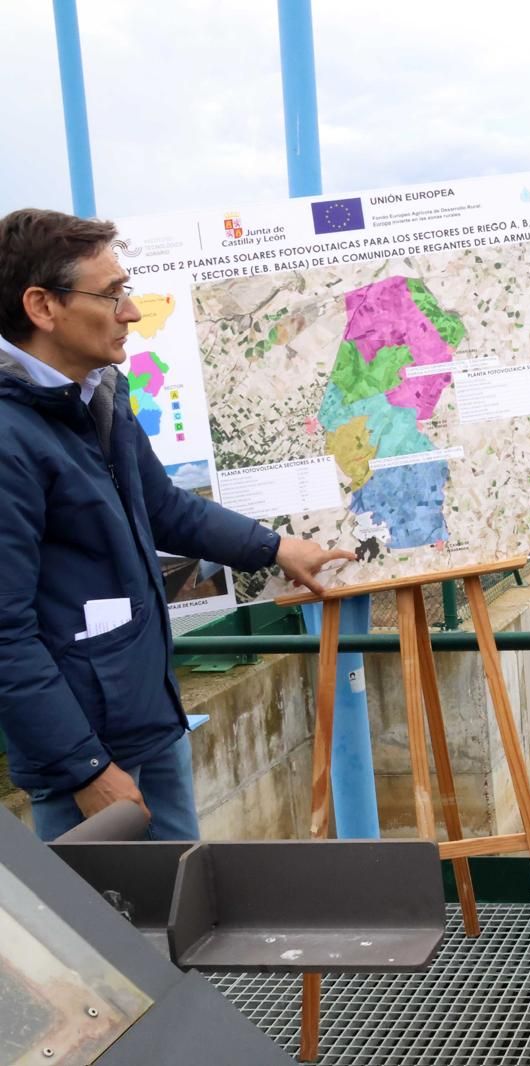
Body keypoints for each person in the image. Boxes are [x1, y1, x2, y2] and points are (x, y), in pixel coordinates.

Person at [0, 208, 353, 842]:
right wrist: (85, 770)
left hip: (151, 721)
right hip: (86, 757)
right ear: (42, 306)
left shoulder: (99, 393)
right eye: (111, 294)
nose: (131, 311)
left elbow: (163, 507)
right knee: (103, 909)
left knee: (186, 897)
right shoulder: (9, 436)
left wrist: (274, 547)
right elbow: (5, 634)